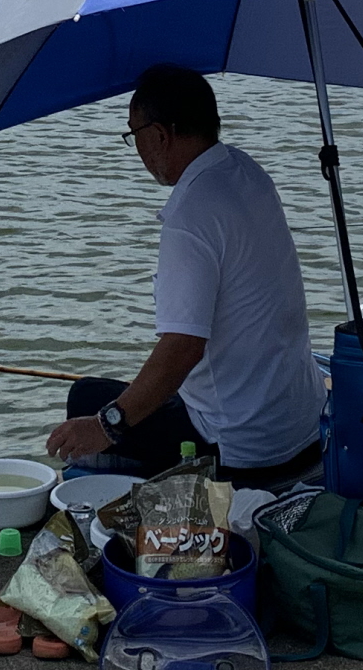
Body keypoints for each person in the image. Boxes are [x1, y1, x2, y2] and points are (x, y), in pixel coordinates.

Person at [43, 63, 324, 490]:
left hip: (241, 447)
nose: (136, 148)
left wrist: (106, 424)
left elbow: (183, 347)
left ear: (159, 135)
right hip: (300, 426)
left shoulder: (191, 214)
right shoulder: (247, 173)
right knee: (134, 395)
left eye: (132, 135)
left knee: (87, 399)